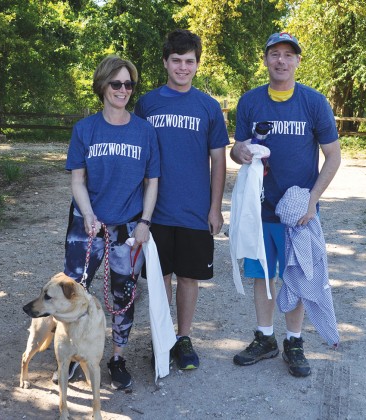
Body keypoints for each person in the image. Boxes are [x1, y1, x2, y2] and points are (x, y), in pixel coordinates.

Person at [230, 32, 341, 377]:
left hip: (299, 212)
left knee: (298, 274)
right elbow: (237, 149)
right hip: (259, 207)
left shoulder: (313, 102)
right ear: (265, 59)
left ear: (297, 61)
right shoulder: (250, 102)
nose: (281, 60)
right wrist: (240, 152)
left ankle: (294, 342)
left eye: (288, 55)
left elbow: (333, 156)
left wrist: (312, 200)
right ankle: (265, 338)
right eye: (274, 54)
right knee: (263, 274)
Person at [63, 55, 160, 390]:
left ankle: (118, 357)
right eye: (116, 83)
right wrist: (88, 214)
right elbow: (78, 180)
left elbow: (152, 181)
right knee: (75, 292)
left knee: (124, 295)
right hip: (86, 223)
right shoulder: (85, 129)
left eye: (129, 84)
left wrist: (145, 221)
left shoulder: (144, 131)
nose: (123, 90)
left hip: (128, 228)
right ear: (102, 86)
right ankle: (77, 355)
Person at [135, 29, 229, 370]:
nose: (183, 67)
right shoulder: (147, 103)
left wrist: (215, 207)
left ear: (197, 65)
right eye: (176, 60)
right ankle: (161, 338)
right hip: (155, 209)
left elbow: (218, 159)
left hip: (194, 210)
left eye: (189, 61)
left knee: (189, 278)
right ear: (165, 62)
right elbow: (137, 154)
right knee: (161, 278)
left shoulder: (208, 106)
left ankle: (184, 337)